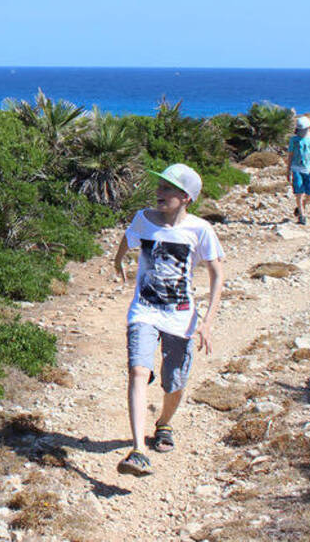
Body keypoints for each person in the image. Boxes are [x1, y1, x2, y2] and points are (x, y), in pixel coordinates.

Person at [112, 163, 225, 476]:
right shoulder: (143, 219)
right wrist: (118, 260)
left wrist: (208, 322)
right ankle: (137, 450)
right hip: (144, 310)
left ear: (186, 197)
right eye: (159, 186)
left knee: (173, 383)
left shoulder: (200, 230)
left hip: (181, 317)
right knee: (137, 371)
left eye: (167, 189)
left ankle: (164, 424)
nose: (159, 193)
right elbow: (128, 237)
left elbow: (217, 274)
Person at [286, 114, 310, 225]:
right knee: (299, 193)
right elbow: (290, 155)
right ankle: (302, 216)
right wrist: (288, 170)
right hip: (296, 169)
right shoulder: (294, 140)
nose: (301, 131)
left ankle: (300, 206)